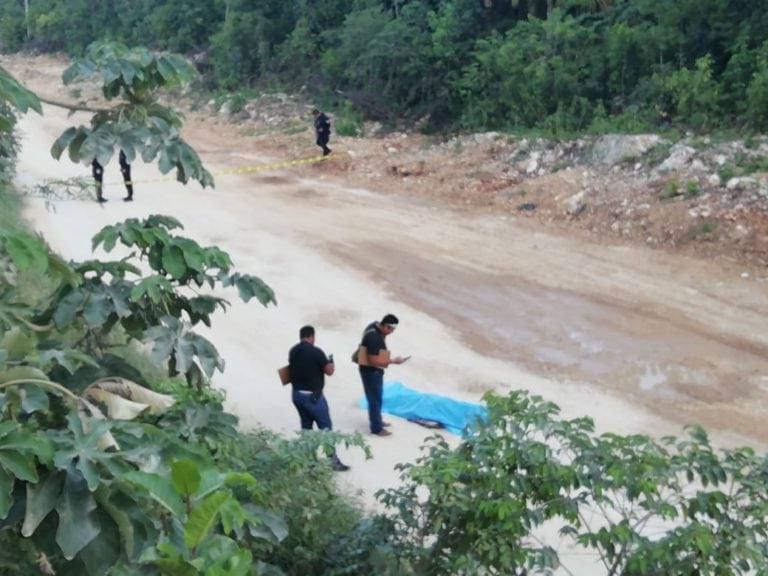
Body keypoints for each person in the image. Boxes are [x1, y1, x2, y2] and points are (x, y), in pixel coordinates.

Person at [288, 325, 349, 471]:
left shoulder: (293, 350)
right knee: (326, 429)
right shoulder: (316, 352)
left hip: (297, 396)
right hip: (313, 397)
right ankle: (332, 461)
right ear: (311, 337)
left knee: (306, 428)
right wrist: (331, 362)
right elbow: (329, 371)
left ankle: (308, 462)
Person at [357, 313, 408, 437]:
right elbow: (373, 360)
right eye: (391, 330)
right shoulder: (374, 338)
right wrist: (393, 361)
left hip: (371, 370)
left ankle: (377, 420)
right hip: (371, 371)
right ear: (385, 326)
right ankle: (376, 428)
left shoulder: (373, 326)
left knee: (376, 398)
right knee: (374, 399)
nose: (391, 332)